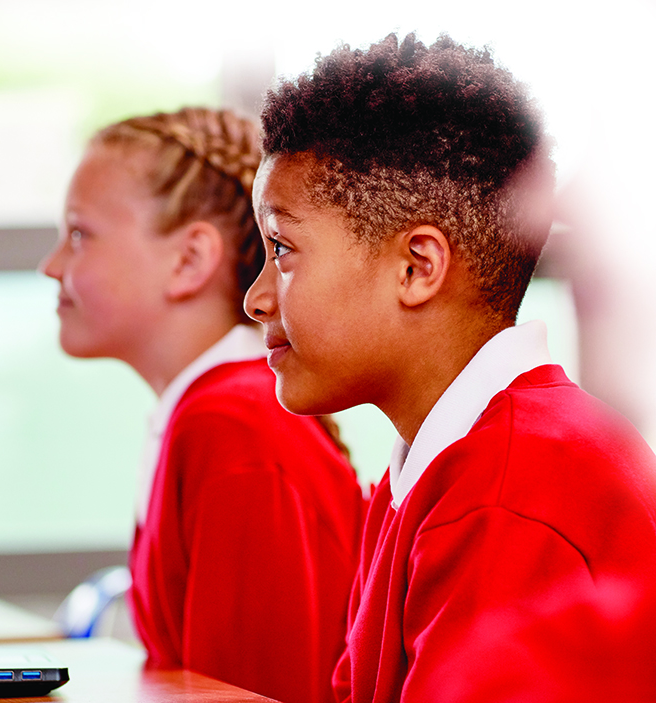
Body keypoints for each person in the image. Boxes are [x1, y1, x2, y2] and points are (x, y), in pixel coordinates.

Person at [244, 33, 656, 702]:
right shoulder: (430, 467)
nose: (256, 297)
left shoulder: (509, 494)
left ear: (417, 268)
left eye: (282, 248)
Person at [39, 106, 365, 703]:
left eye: (80, 234)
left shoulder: (233, 426)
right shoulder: (207, 414)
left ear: (189, 260)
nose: (51, 265)